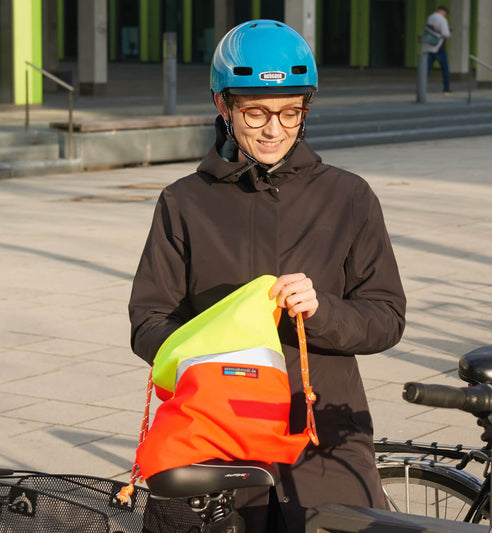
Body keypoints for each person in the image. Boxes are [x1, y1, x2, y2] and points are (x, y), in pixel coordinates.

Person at [129, 19, 406, 533]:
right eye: (256, 111)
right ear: (223, 106)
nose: (274, 128)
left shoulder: (349, 197)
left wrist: (323, 310)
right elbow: (148, 322)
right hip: (216, 441)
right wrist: (219, 345)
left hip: (324, 441)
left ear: (306, 108)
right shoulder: (183, 202)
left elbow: (386, 316)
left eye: (290, 112)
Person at [425, 5, 451, 94]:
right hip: (440, 48)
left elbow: (428, 29)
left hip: (429, 46)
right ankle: (446, 89)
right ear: (443, 12)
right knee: (445, 70)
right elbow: (446, 34)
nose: (445, 15)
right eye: (445, 14)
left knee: (426, 70)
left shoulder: (430, 17)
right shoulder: (442, 20)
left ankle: (422, 88)